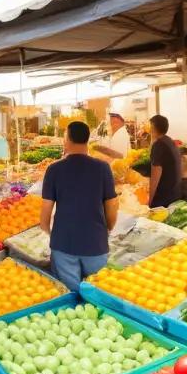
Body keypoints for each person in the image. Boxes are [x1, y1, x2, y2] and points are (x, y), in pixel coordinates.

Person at [39, 121, 119, 292]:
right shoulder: (103, 168)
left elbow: (45, 211)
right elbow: (112, 205)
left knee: (70, 296)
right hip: (95, 242)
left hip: (64, 243)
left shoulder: (54, 170)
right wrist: (107, 228)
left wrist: (51, 233)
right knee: (98, 294)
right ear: (87, 140)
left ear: (67, 139)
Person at [147, 115, 183, 209]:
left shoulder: (158, 145)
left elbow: (155, 175)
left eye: (150, 126)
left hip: (164, 199)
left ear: (153, 127)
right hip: (175, 194)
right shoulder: (169, 140)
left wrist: (150, 201)